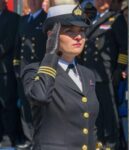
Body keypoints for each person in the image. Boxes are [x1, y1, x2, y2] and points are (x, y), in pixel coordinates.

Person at [21, 2, 100, 150]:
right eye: (70, 31)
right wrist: (51, 53)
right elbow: (40, 96)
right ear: (52, 36)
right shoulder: (34, 70)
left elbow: (90, 124)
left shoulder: (87, 74)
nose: (78, 37)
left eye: (82, 30)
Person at [78, 0, 128, 149]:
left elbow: (124, 47)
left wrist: (119, 69)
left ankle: (112, 143)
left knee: (109, 112)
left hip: (105, 72)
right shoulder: (90, 18)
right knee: (93, 111)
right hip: (89, 72)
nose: (99, 1)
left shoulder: (115, 18)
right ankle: (97, 141)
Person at [13, 0, 47, 148]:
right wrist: (17, 66)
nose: (32, 2)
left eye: (36, 0)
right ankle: (29, 139)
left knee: (39, 107)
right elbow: (18, 45)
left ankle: (40, 139)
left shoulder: (47, 19)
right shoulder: (23, 20)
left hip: (39, 69)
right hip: (24, 70)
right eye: (30, 0)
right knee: (25, 107)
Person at [0, 0, 20, 146]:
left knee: (7, 103)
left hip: (5, 70)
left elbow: (9, 42)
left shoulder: (14, 18)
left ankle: (9, 136)